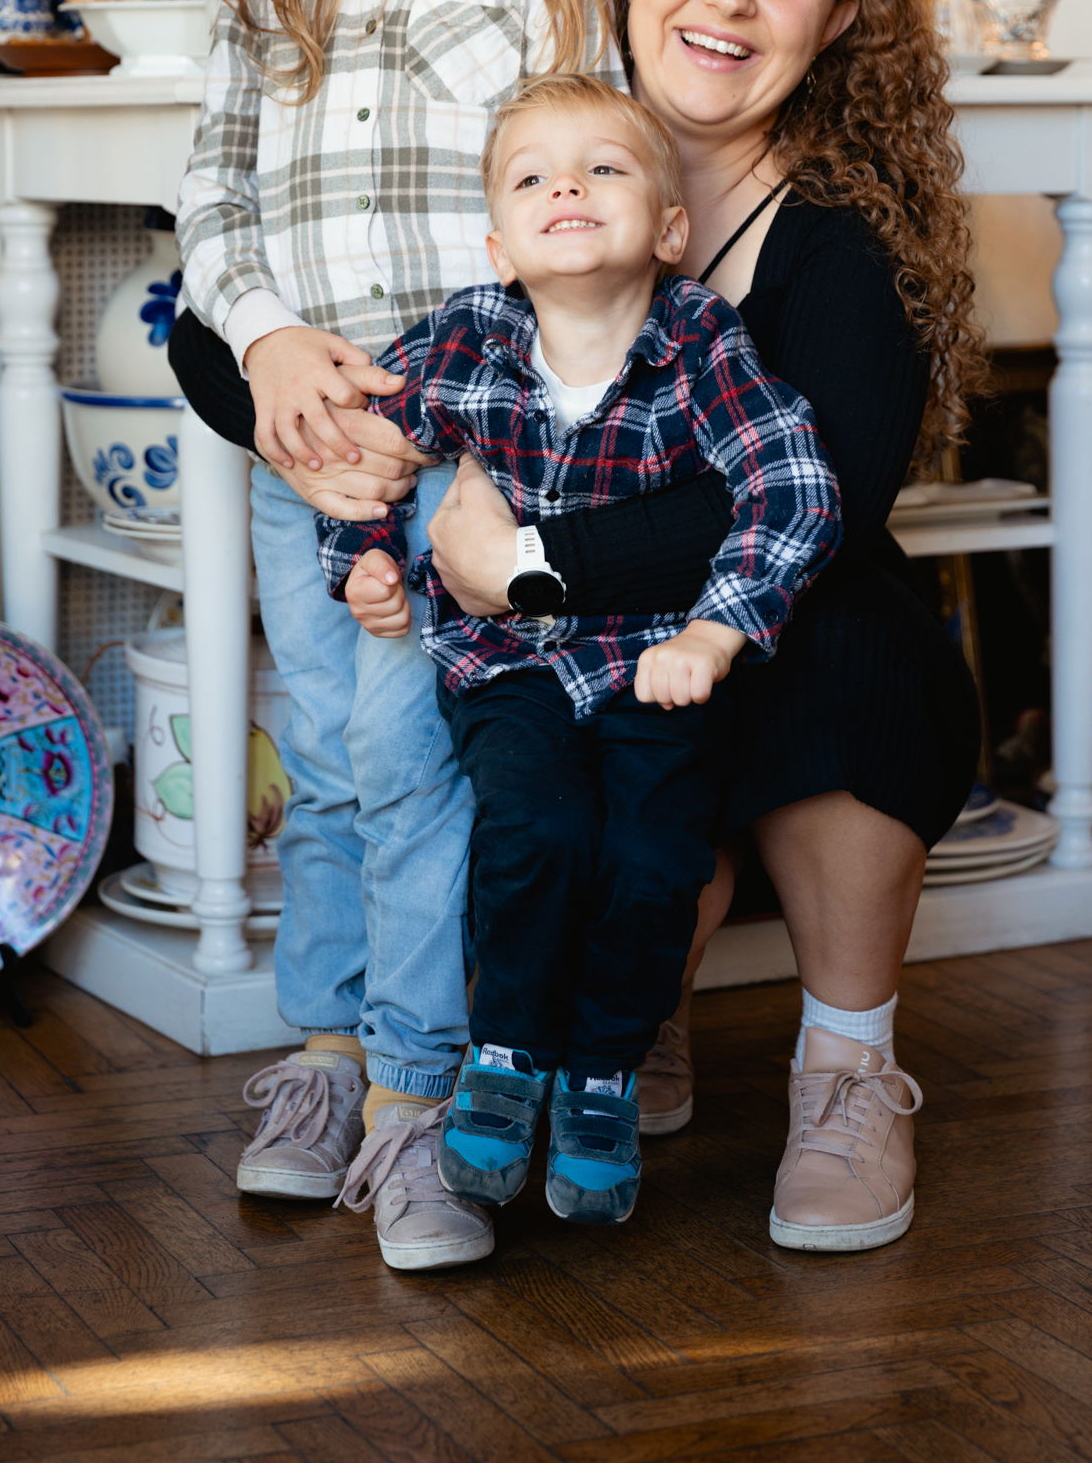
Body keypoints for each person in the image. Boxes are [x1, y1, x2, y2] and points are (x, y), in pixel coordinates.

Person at [172, 0, 986, 1255]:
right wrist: (306, 412)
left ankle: (847, 1068)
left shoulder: (835, 235)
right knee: (491, 771)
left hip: (745, 620)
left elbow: (822, 498)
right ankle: (597, 1024)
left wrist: (527, 563)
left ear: (842, 16)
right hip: (543, 641)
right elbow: (250, 316)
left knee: (846, 660)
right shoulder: (533, 149)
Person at [171, 0, 616, 1273]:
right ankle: (327, 1048)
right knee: (332, 761)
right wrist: (271, 346)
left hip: (456, 460)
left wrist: (447, 424)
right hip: (302, 443)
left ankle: (418, 1092)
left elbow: (577, 217)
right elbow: (213, 194)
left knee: (423, 766)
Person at [319, 72, 839, 1232]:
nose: (568, 186)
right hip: (507, 662)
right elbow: (365, 449)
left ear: (668, 228)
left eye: (602, 168)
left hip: (658, 657)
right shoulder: (467, 336)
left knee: (654, 856)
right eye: (533, 176)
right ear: (500, 245)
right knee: (537, 832)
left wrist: (715, 628)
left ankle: (603, 1068)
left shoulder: (699, 339)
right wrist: (363, 560)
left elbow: (793, 482)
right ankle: (506, 1053)